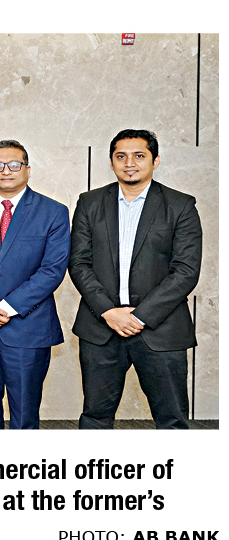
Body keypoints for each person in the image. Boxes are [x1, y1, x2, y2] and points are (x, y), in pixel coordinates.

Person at [70, 129, 201, 429]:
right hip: (101, 327)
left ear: (155, 161)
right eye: (121, 156)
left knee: (172, 421)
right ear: (111, 162)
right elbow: (78, 263)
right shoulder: (89, 202)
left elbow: (186, 270)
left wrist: (139, 317)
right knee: (95, 418)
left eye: (139, 155)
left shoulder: (180, 205)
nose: (129, 163)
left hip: (161, 328)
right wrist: (108, 311)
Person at [0, 139, 69, 430]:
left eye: (14, 164)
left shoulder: (53, 211)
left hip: (28, 327)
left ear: (28, 169)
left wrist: (6, 307)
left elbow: (52, 270)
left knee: (24, 414)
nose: (6, 171)